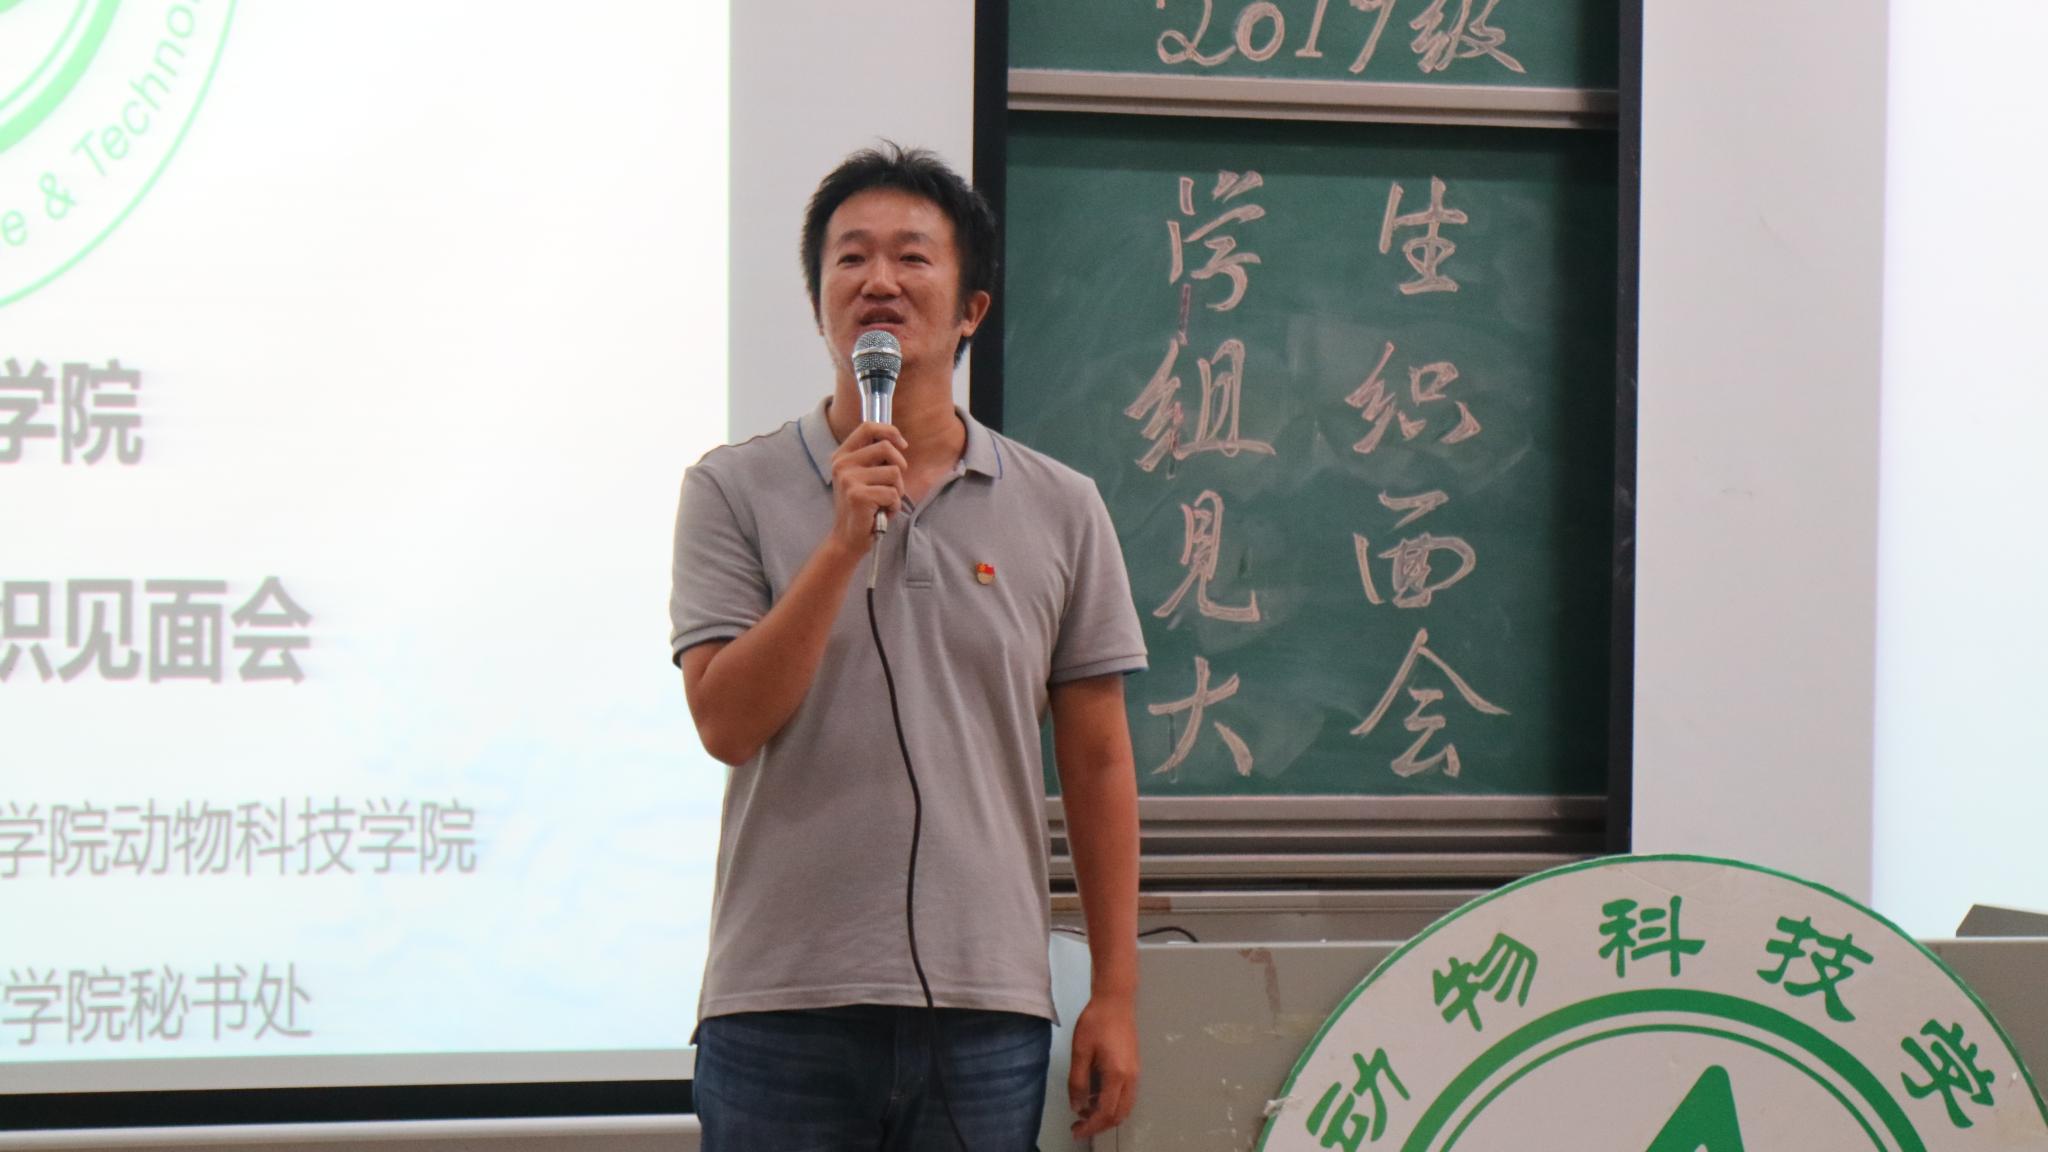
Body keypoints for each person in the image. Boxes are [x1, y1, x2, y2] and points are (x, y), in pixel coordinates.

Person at [670, 143, 1148, 1150]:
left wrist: (1114, 991)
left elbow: (1099, 759)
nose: (877, 280)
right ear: (819, 306)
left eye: (911, 257)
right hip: (780, 1006)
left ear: (971, 309)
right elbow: (725, 723)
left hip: (983, 1010)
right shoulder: (730, 490)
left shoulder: (1062, 506)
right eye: (849, 258)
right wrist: (841, 544)